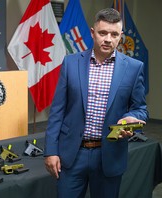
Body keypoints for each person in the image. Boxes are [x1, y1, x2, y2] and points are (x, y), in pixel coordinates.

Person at [44, 8, 148, 198]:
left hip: (109, 156)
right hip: (72, 155)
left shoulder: (134, 68)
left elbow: (140, 108)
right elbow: (57, 111)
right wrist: (50, 151)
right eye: (103, 33)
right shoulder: (70, 63)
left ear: (120, 36)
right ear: (93, 33)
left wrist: (131, 118)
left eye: (114, 34)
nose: (108, 39)